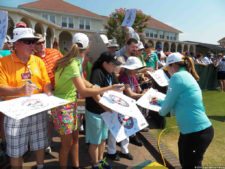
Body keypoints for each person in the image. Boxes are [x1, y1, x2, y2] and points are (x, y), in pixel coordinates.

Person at [52, 42, 123, 169]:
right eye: (87, 54)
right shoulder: (73, 63)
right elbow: (83, 92)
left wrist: (93, 86)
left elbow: (82, 81)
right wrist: (108, 88)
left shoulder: (74, 62)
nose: (88, 59)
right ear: (84, 52)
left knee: (74, 141)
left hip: (71, 104)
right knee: (66, 145)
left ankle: (76, 165)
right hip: (63, 106)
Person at [0, 27, 52, 169]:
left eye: (33, 41)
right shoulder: (3, 63)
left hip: (37, 110)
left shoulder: (38, 61)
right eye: (28, 42)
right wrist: (19, 90)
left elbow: (46, 82)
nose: (32, 45)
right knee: (16, 152)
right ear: (16, 44)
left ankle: (40, 166)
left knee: (40, 143)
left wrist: (48, 90)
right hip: (15, 115)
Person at [151, 52, 214, 169]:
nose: (167, 72)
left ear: (173, 65)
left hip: (197, 132)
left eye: (167, 68)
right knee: (187, 163)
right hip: (193, 131)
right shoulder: (185, 75)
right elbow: (176, 100)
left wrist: (156, 109)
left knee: (190, 165)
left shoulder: (177, 77)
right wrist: (159, 102)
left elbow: (165, 109)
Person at [85, 52, 123, 169]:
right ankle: (95, 164)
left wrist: (122, 88)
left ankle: (101, 160)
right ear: (105, 63)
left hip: (106, 112)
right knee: (95, 140)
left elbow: (118, 86)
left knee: (103, 139)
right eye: (113, 64)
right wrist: (108, 108)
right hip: (95, 111)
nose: (114, 67)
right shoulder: (97, 73)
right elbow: (95, 95)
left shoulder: (110, 73)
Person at [33, 33, 63, 154]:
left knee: (61, 117)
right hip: (44, 93)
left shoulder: (54, 52)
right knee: (48, 119)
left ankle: (64, 142)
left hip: (60, 90)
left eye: (43, 41)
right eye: (38, 43)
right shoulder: (32, 58)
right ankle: (47, 143)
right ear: (33, 45)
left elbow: (65, 64)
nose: (41, 44)